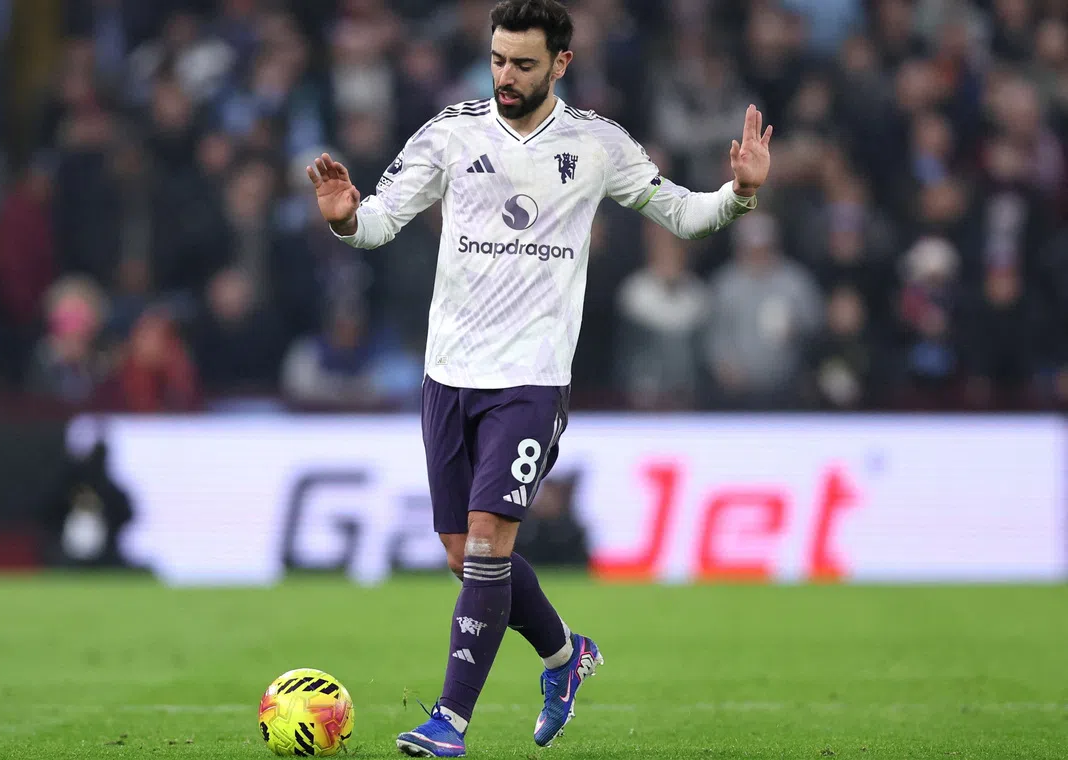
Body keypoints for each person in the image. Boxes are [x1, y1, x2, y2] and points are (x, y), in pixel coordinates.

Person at [306, 1, 772, 756]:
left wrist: (740, 193)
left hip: (531, 377)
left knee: (490, 543)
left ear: (561, 63)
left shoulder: (596, 145)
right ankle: (565, 657)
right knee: (464, 556)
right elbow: (382, 221)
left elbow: (684, 216)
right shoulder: (450, 133)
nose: (506, 77)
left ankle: (449, 721)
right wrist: (344, 218)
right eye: (497, 60)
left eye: (523, 64)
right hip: (447, 375)